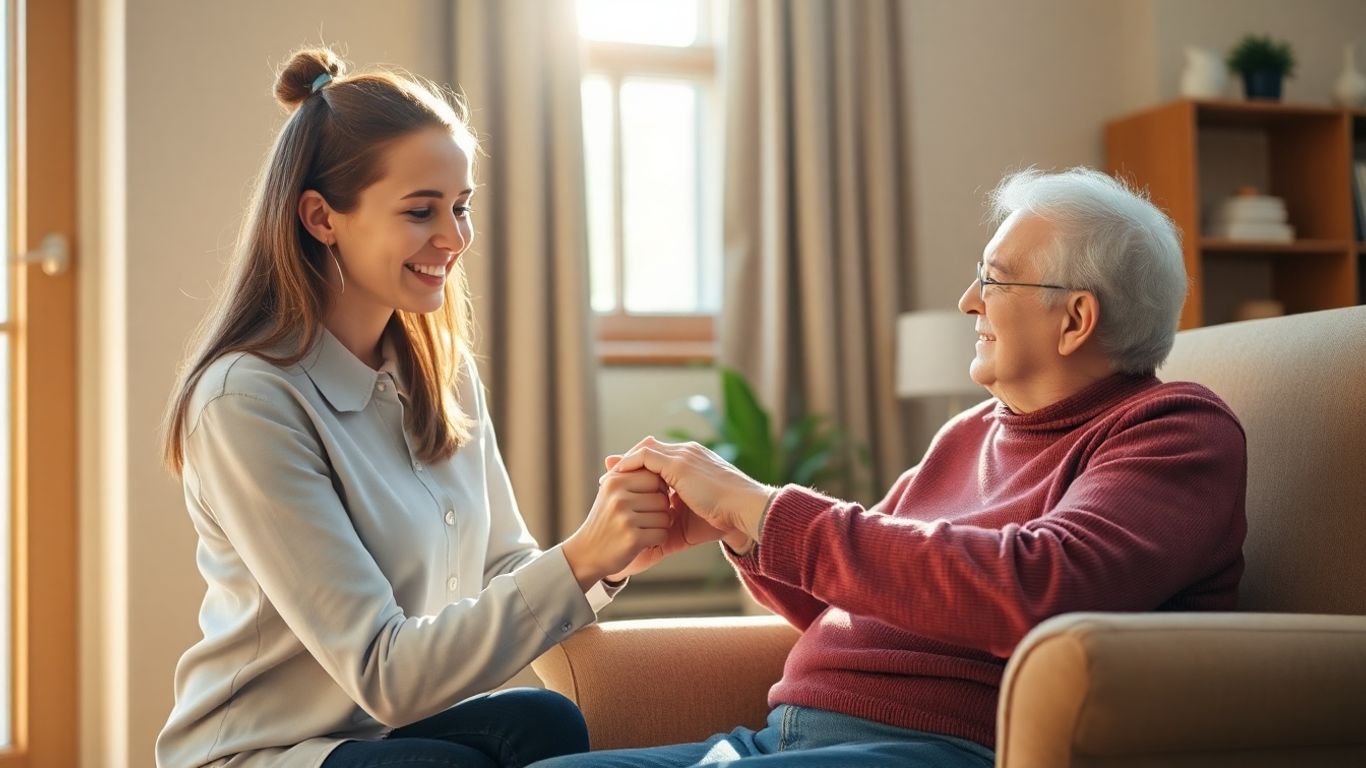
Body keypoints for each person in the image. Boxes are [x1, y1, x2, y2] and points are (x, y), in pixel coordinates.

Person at [533, 167, 1248, 768]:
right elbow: (865, 600)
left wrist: (762, 506)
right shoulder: (967, 434)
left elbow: (1040, 586)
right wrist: (746, 535)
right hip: (787, 740)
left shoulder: (1173, 432)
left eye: (994, 282)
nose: (970, 301)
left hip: (942, 747)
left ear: (1076, 319)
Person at [155, 47, 715, 768]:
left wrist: (612, 555)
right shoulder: (246, 402)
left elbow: (504, 567)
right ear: (322, 217)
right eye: (422, 211)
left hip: (384, 740)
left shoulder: (440, 375)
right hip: (265, 752)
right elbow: (385, 673)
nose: (453, 239)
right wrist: (578, 559)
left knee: (543, 725)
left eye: (461, 207)